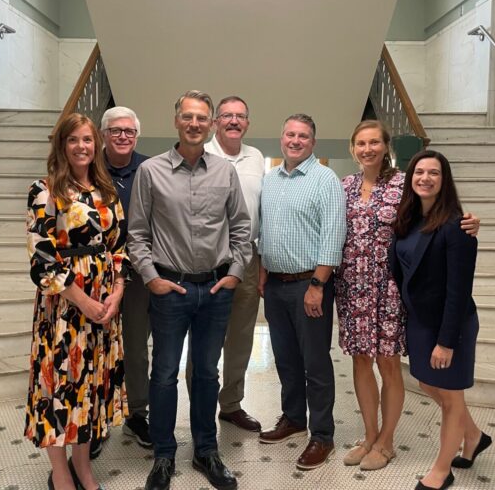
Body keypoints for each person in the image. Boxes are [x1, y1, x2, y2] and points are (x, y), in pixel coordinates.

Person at [335, 121, 480, 472]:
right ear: (353, 148)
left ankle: (386, 442)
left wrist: (469, 222)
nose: (368, 149)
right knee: (360, 361)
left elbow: (437, 211)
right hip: (352, 286)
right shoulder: (344, 186)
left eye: (374, 142)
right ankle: (369, 436)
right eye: (361, 143)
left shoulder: (404, 183)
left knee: (388, 363)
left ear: (386, 147)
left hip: (391, 288)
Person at [128, 90, 252, 490]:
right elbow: (137, 234)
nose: (194, 124)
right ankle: (164, 454)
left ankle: (206, 450)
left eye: (202, 118)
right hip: (170, 290)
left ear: (211, 124)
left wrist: (235, 273)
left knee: (206, 374)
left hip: (215, 290)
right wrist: (152, 278)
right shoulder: (151, 172)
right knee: (164, 374)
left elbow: (241, 226)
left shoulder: (224, 172)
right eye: (188, 117)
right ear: (176, 121)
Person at [25, 113, 127, 490]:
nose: (81, 146)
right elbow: (42, 259)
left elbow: (119, 246)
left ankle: (83, 466)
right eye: (73, 140)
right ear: (62, 145)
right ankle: (61, 473)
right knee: (59, 387)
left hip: (103, 305)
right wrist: (83, 301)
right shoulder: (45, 190)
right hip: (64, 308)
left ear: (96, 144)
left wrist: (117, 291)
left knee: (90, 387)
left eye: (87, 139)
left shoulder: (106, 190)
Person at [389, 150, 490, 490]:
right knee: (429, 384)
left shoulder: (457, 227)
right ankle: (473, 436)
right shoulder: (408, 220)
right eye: (419, 172)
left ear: (444, 180)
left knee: (450, 397)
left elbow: (459, 292)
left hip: (450, 324)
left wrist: (446, 342)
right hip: (420, 322)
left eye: (434, 173)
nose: (425, 178)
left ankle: (442, 471)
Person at [257, 114, 347, 470]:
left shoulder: (325, 180)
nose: (295, 141)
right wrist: (263, 271)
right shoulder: (270, 179)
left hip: (309, 285)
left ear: (313, 142)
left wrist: (318, 285)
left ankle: (322, 435)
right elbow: (265, 231)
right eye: (290, 134)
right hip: (276, 285)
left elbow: (333, 235)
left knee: (315, 363)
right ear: (281, 138)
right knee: (285, 358)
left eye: (303, 136)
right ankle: (294, 418)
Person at [185, 95, 265, 432]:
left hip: (247, 258)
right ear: (216, 122)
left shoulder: (256, 157)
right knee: (204, 340)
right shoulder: (200, 154)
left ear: (247, 123)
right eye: (227, 116)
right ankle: (199, 405)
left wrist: (261, 261)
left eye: (240, 116)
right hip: (210, 259)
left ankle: (231, 404)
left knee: (241, 339)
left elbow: (261, 211)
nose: (234, 121)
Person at [98, 106, 152, 452]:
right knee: (97, 349)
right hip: (95, 277)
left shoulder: (149, 169)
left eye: (129, 131)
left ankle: (136, 414)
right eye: (115, 130)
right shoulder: (88, 168)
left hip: (137, 275)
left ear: (136, 135)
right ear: (104, 134)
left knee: (135, 348)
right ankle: (96, 422)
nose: (122, 136)